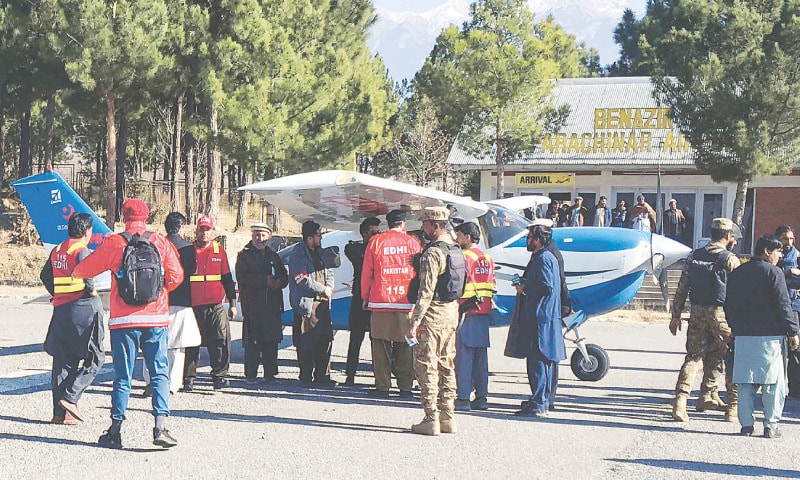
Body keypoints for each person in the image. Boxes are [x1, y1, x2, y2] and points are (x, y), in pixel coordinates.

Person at [72, 199, 183, 449]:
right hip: (156, 318)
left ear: (124, 216)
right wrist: (159, 292)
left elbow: (83, 270)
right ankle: (160, 426)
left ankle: (115, 429)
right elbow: (177, 276)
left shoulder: (115, 242)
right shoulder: (160, 242)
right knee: (159, 373)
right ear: (147, 216)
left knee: (123, 376)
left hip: (123, 320)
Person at [725, 234, 800, 438]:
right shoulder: (774, 273)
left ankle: (747, 425)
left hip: (744, 335)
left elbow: (728, 304)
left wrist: (734, 327)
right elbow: (783, 305)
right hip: (771, 336)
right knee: (773, 384)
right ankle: (770, 425)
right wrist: (793, 330)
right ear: (767, 251)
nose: (779, 256)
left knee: (745, 383)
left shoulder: (738, 272)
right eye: (778, 251)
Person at [669, 218, 740, 422]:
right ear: (727, 236)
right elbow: (739, 290)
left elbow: (682, 287)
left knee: (694, 356)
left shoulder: (695, 256)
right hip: (722, 314)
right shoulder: (730, 259)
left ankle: (686, 401)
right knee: (731, 355)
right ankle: (733, 407)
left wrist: (676, 315)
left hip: (697, 311)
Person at [40, 213, 104, 425]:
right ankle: (71, 397)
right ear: (87, 232)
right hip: (83, 310)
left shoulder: (58, 249)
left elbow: (45, 275)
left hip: (61, 311)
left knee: (63, 360)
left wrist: (57, 292)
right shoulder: (82, 250)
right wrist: (92, 290)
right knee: (95, 357)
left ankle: (59, 414)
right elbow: (87, 274)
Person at [406, 206, 466, 435]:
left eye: (425, 223)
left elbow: (426, 291)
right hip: (451, 313)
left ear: (435, 225)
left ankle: (430, 418)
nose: (423, 227)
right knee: (447, 363)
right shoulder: (456, 250)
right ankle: (448, 415)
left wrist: (414, 321)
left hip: (432, 314)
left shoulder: (433, 253)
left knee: (426, 365)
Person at [506, 224, 566, 417]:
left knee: (538, 361)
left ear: (538, 240)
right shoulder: (546, 258)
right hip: (544, 316)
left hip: (540, 318)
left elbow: (546, 286)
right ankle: (542, 400)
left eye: (530, 237)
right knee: (544, 361)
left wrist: (525, 289)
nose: (527, 240)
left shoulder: (543, 259)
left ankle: (539, 402)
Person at [362, 210, 421, 397]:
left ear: (388, 224)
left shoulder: (376, 242)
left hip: (380, 301)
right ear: (403, 223)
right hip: (406, 302)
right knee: (406, 345)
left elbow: (367, 273)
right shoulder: (413, 242)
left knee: (380, 346)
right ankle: (405, 387)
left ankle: (383, 386)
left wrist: (365, 297)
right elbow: (419, 271)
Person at [143, 212, 202, 395]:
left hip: (155, 300)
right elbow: (192, 271)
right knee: (177, 347)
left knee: (152, 342)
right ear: (182, 227)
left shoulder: (155, 245)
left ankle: (150, 382)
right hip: (180, 300)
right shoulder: (188, 248)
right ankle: (171, 385)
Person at [184, 215, 237, 392]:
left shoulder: (219, 251)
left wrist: (233, 304)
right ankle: (189, 378)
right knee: (191, 343)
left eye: (207, 230)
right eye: (201, 229)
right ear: (196, 231)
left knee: (221, 340)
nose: (204, 233)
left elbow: (227, 279)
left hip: (215, 305)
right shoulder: (188, 251)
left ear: (213, 232)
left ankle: (219, 377)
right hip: (193, 307)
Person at [236, 222, 289, 385]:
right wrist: (264, 280)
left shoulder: (273, 256)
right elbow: (242, 278)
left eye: (263, 235)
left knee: (271, 341)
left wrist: (279, 282)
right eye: (257, 235)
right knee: (253, 342)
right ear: (252, 236)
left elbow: (284, 276)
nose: (260, 238)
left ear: (269, 237)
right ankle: (251, 375)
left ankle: (270, 374)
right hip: (253, 306)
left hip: (272, 306)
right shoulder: (244, 255)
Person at [287, 220, 336, 387]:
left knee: (325, 340)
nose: (320, 238)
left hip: (323, 305)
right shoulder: (297, 254)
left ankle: (323, 376)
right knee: (306, 343)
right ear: (309, 238)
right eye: (318, 235)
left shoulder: (320, 253)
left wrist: (330, 286)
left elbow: (329, 271)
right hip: (307, 306)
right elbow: (302, 279)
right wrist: (322, 289)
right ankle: (306, 377)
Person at [453, 221, 495, 411]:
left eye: (459, 236)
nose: (456, 239)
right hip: (484, 310)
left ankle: (463, 398)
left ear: (468, 237)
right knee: (480, 358)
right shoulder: (487, 257)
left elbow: (457, 284)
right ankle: (481, 397)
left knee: (464, 358)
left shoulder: (464, 257)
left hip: (467, 310)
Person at [343, 217, 381, 387]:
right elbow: (360, 260)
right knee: (355, 340)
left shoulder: (378, 250)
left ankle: (380, 379)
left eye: (379, 232)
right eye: (374, 233)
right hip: (359, 299)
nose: (377, 236)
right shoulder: (355, 249)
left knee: (378, 341)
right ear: (365, 234)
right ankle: (349, 376)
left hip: (376, 300)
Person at [774, 225, 800, 397]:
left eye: (791, 239)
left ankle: (796, 390)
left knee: (795, 349)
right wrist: (787, 273)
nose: (789, 242)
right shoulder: (772, 255)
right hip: (775, 306)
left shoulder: (797, 256)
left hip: (794, 307)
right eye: (785, 239)